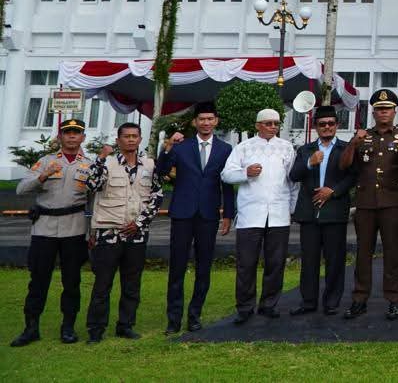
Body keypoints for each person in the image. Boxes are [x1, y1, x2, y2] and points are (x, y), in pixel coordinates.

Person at [11, 118, 93, 347]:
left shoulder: (89, 165)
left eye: (76, 133)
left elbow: (95, 200)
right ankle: (31, 327)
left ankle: (68, 327)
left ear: (83, 137)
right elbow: (20, 189)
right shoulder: (45, 161)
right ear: (60, 136)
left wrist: (93, 231)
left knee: (72, 281)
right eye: (67, 132)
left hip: (74, 228)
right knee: (38, 279)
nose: (71, 136)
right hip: (44, 228)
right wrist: (43, 176)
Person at [156, 101, 235, 334]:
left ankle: (194, 315)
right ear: (195, 122)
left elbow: (227, 185)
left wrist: (228, 214)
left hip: (209, 215)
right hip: (182, 213)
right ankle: (173, 319)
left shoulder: (225, 149)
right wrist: (168, 146)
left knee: (203, 268)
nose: (206, 123)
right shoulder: (181, 147)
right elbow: (161, 171)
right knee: (177, 267)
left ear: (216, 121)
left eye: (210, 119)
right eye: (202, 119)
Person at [84, 122, 164, 343]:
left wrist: (139, 223)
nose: (130, 140)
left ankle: (125, 325)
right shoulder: (106, 163)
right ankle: (96, 329)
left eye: (134, 136)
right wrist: (100, 158)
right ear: (118, 140)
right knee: (103, 283)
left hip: (135, 233)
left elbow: (157, 197)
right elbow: (91, 185)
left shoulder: (149, 165)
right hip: (109, 232)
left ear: (140, 140)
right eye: (126, 136)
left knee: (132, 283)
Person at [340, 89, 398, 320]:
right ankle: (359, 299)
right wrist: (354, 143)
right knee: (363, 253)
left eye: (388, 109)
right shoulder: (363, 136)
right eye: (380, 109)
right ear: (373, 112)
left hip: (393, 201)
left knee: (392, 253)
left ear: (394, 111)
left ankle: (393, 300)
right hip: (365, 203)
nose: (384, 113)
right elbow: (344, 166)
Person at [221, 108, 298, 325]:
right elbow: (226, 174)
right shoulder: (244, 147)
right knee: (246, 263)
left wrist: (291, 209)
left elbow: (293, 182)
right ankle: (245, 307)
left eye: (276, 123)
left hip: (279, 213)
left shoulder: (286, 148)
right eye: (268, 123)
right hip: (250, 214)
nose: (273, 127)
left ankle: (269, 305)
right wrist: (245, 173)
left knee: (275, 263)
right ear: (258, 125)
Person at [288, 104, 355, 316]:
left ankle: (332, 302)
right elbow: (294, 175)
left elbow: (353, 176)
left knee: (335, 260)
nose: (327, 127)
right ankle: (308, 302)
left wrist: (332, 191)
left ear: (337, 125)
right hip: (309, 213)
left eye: (331, 124)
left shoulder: (346, 149)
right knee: (309, 260)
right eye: (322, 124)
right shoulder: (305, 149)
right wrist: (309, 162)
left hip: (334, 211)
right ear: (316, 126)